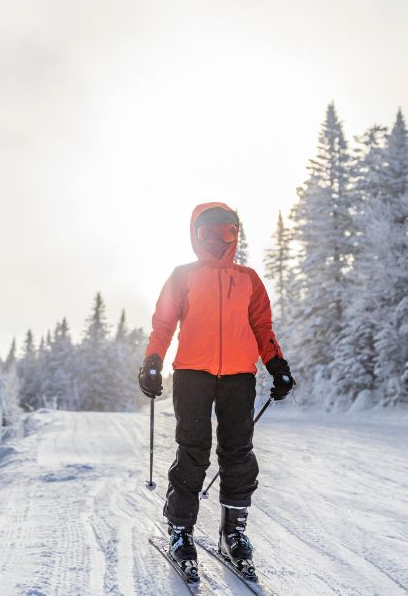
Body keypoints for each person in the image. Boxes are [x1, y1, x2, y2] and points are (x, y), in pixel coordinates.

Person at [138, 202, 295, 581]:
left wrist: (277, 365)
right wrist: (152, 361)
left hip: (240, 375)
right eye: (209, 233)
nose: (217, 240)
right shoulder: (183, 275)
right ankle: (180, 531)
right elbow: (163, 323)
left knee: (238, 452)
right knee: (193, 450)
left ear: (234, 235)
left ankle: (233, 533)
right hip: (192, 373)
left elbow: (262, 327)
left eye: (225, 232)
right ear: (196, 236)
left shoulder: (249, 279)